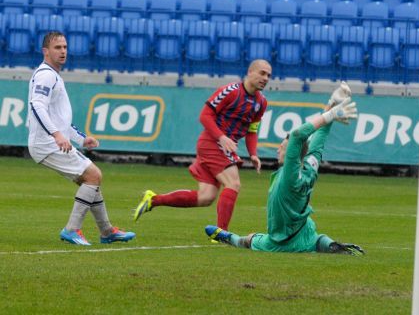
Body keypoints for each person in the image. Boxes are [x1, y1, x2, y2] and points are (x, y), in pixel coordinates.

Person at [205, 83, 365, 255]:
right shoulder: (310, 165)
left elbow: (297, 136)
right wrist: (332, 104)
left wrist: (332, 114)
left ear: (290, 153)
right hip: (306, 235)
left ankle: (227, 237)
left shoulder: (290, 175)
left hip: (282, 242)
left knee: (250, 239)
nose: (277, 149)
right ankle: (329, 244)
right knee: (315, 239)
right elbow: (320, 134)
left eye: (281, 147)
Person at [134, 60, 272, 230]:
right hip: (213, 143)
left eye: (269, 75)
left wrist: (253, 154)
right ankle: (222, 233)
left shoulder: (261, 102)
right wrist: (221, 137)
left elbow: (252, 130)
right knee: (233, 184)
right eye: (262, 73)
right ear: (250, 72)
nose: (265, 78)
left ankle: (153, 200)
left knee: (206, 197)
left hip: (222, 145)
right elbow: (205, 116)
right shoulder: (231, 91)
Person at [28, 31, 135, 246]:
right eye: (58, 48)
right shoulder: (46, 75)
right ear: (45, 51)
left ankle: (106, 231)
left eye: (65, 47)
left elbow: (60, 119)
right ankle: (72, 229)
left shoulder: (53, 75)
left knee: (90, 181)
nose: (63, 51)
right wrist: (56, 134)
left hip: (49, 142)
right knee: (94, 175)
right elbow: (36, 105)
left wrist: (81, 138)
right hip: (46, 143)